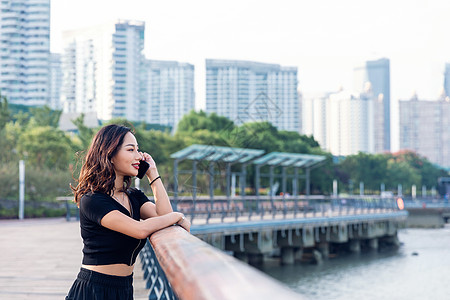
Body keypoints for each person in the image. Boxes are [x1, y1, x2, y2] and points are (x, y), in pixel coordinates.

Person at [66, 124, 190, 300]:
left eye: (138, 150)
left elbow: (163, 218)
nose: (139, 156)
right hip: (94, 290)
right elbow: (140, 229)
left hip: (124, 289)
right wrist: (178, 216)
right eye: (131, 149)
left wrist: (152, 174)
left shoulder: (133, 196)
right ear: (110, 154)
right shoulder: (92, 200)